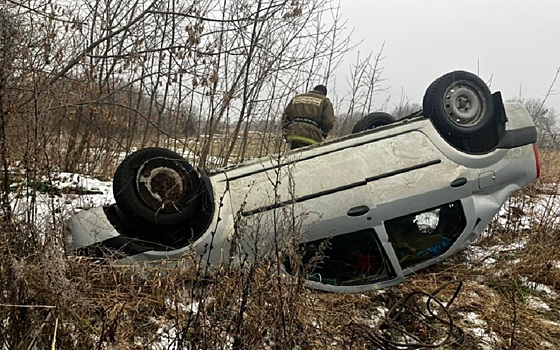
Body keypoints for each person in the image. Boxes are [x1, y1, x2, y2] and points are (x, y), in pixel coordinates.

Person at [281, 84, 335, 149]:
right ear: (324, 94)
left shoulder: (296, 98)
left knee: (293, 156)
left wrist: (287, 130)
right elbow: (328, 121)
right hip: (312, 136)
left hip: (293, 133)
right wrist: (323, 133)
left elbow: (285, 117)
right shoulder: (325, 101)